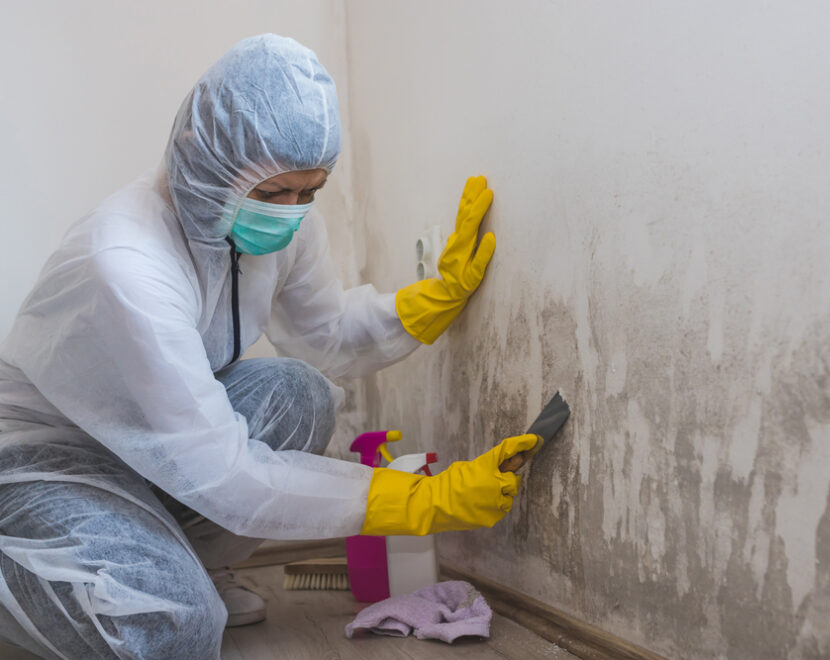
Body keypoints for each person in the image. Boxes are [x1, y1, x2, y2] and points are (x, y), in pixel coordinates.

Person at [0, 34, 540, 659]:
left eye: (309, 191)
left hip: (153, 450)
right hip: (50, 458)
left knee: (298, 393)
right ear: (203, 161)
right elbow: (224, 474)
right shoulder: (125, 262)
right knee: (172, 624)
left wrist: (432, 301)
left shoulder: (281, 223)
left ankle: (179, 562)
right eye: (274, 194)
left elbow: (326, 334)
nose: (292, 212)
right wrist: (421, 499)